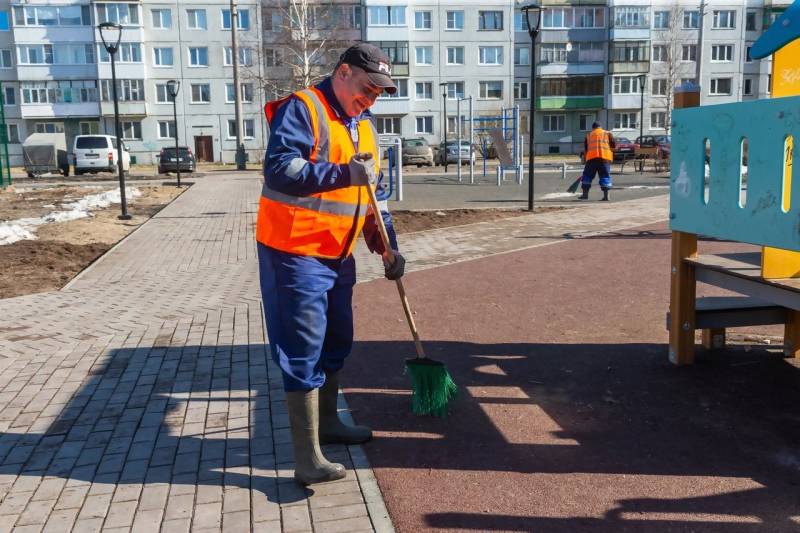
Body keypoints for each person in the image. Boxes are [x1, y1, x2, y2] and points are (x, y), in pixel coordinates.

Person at [257, 43, 405, 485]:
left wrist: (387, 248)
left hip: (337, 256)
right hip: (294, 252)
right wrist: (344, 173)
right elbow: (279, 170)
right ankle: (307, 459)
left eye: (379, 93)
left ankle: (329, 425)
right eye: (367, 88)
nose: (372, 98)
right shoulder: (304, 108)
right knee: (302, 347)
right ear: (343, 73)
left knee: (337, 339)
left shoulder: (364, 125)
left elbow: (374, 198)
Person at [580, 121, 615, 201]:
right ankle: (606, 196)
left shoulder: (589, 135)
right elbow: (613, 145)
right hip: (604, 159)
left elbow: (586, 148)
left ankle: (585, 195)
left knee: (587, 176)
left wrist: (585, 159)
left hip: (592, 159)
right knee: (605, 176)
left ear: (593, 128)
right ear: (600, 127)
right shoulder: (608, 133)